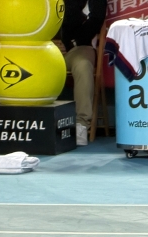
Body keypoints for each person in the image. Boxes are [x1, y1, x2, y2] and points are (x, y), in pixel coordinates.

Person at [61, 0, 107, 146]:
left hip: (79, 48)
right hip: (47, 48)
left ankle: (81, 124)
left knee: (83, 65)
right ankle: (33, 120)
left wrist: (74, 40)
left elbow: (97, 18)